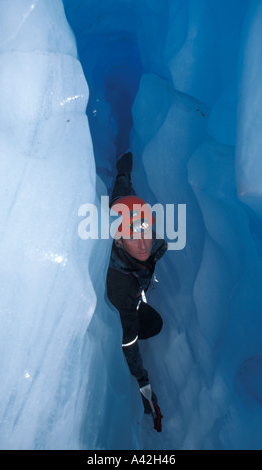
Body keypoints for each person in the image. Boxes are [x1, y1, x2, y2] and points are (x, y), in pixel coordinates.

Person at [106, 151, 167, 431]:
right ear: (118, 240)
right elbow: (130, 345)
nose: (143, 244)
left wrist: (123, 171)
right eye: (133, 236)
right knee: (152, 325)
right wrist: (146, 389)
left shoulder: (121, 213)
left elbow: (120, 194)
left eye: (145, 231)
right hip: (126, 302)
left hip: (136, 281)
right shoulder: (122, 285)